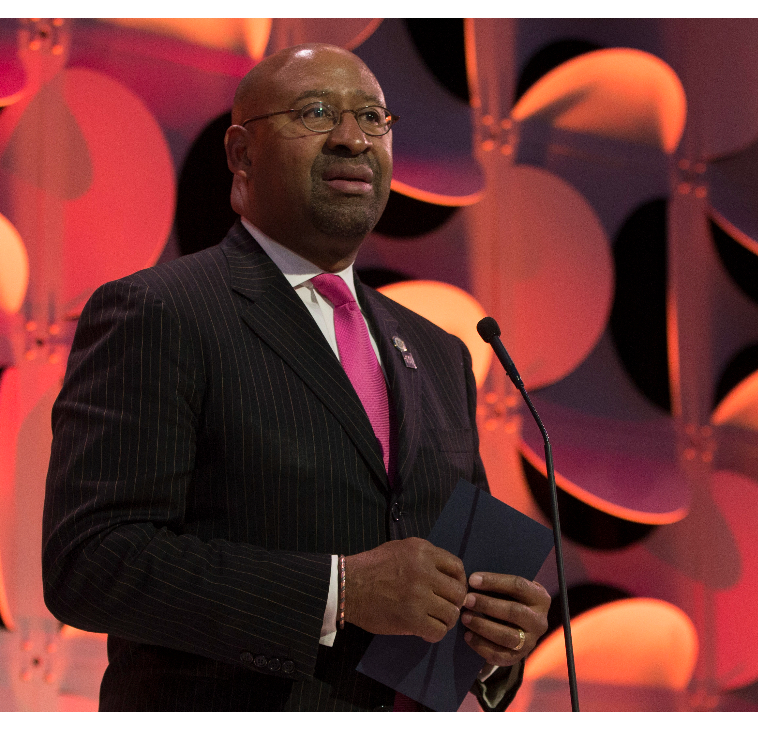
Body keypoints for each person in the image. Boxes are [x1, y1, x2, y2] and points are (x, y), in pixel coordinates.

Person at [42, 43, 550, 711]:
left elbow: (443, 586)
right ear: (240, 153)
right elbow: (92, 562)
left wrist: (491, 644)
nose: (352, 139)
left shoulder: (443, 353)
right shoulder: (161, 312)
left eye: (373, 117)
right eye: (316, 112)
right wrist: (342, 592)